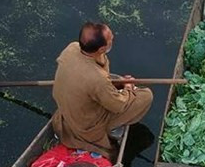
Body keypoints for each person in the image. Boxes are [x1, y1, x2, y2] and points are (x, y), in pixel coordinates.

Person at [52, 22, 153, 156]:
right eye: (111, 38)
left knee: (115, 80)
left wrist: (118, 83)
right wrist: (128, 88)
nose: (113, 37)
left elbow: (98, 74)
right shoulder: (97, 79)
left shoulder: (72, 48)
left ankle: (118, 88)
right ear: (101, 49)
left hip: (72, 107)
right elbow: (118, 105)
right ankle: (111, 128)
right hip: (87, 124)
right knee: (146, 95)